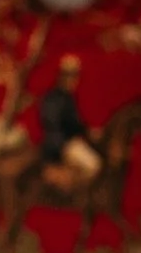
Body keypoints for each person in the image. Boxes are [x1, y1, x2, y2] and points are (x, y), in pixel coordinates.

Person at [36, 54, 102, 183]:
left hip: (66, 140)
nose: (75, 81)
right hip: (60, 144)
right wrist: (86, 132)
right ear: (63, 77)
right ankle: (76, 190)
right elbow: (58, 124)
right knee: (94, 166)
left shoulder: (66, 97)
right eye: (73, 77)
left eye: (76, 77)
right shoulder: (54, 98)